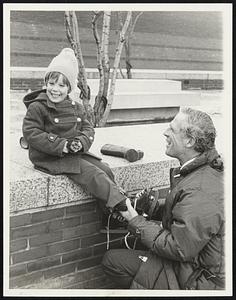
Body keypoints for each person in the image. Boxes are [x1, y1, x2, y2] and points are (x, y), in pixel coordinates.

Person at [102, 107, 225, 290]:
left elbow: (179, 248)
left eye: (172, 130)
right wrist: (154, 208)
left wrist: (134, 220)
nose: (165, 133)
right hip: (195, 261)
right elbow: (187, 215)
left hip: (197, 277)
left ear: (190, 141)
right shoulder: (201, 170)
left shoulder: (201, 190)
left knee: (112, 261)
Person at [22, 47, 145, 223]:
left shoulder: (76, 107)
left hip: (73, 153)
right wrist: (61, 145)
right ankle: (124, 207)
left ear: (69, 87)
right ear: (46, 83)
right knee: (95, 175)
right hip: (50, 156)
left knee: (106, 169)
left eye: (61, 85)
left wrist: (80, 142)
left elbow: (88, 129)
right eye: (51, 83)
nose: (55, 89)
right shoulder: (38, 107)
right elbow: (31, 133)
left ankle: (110, 215)